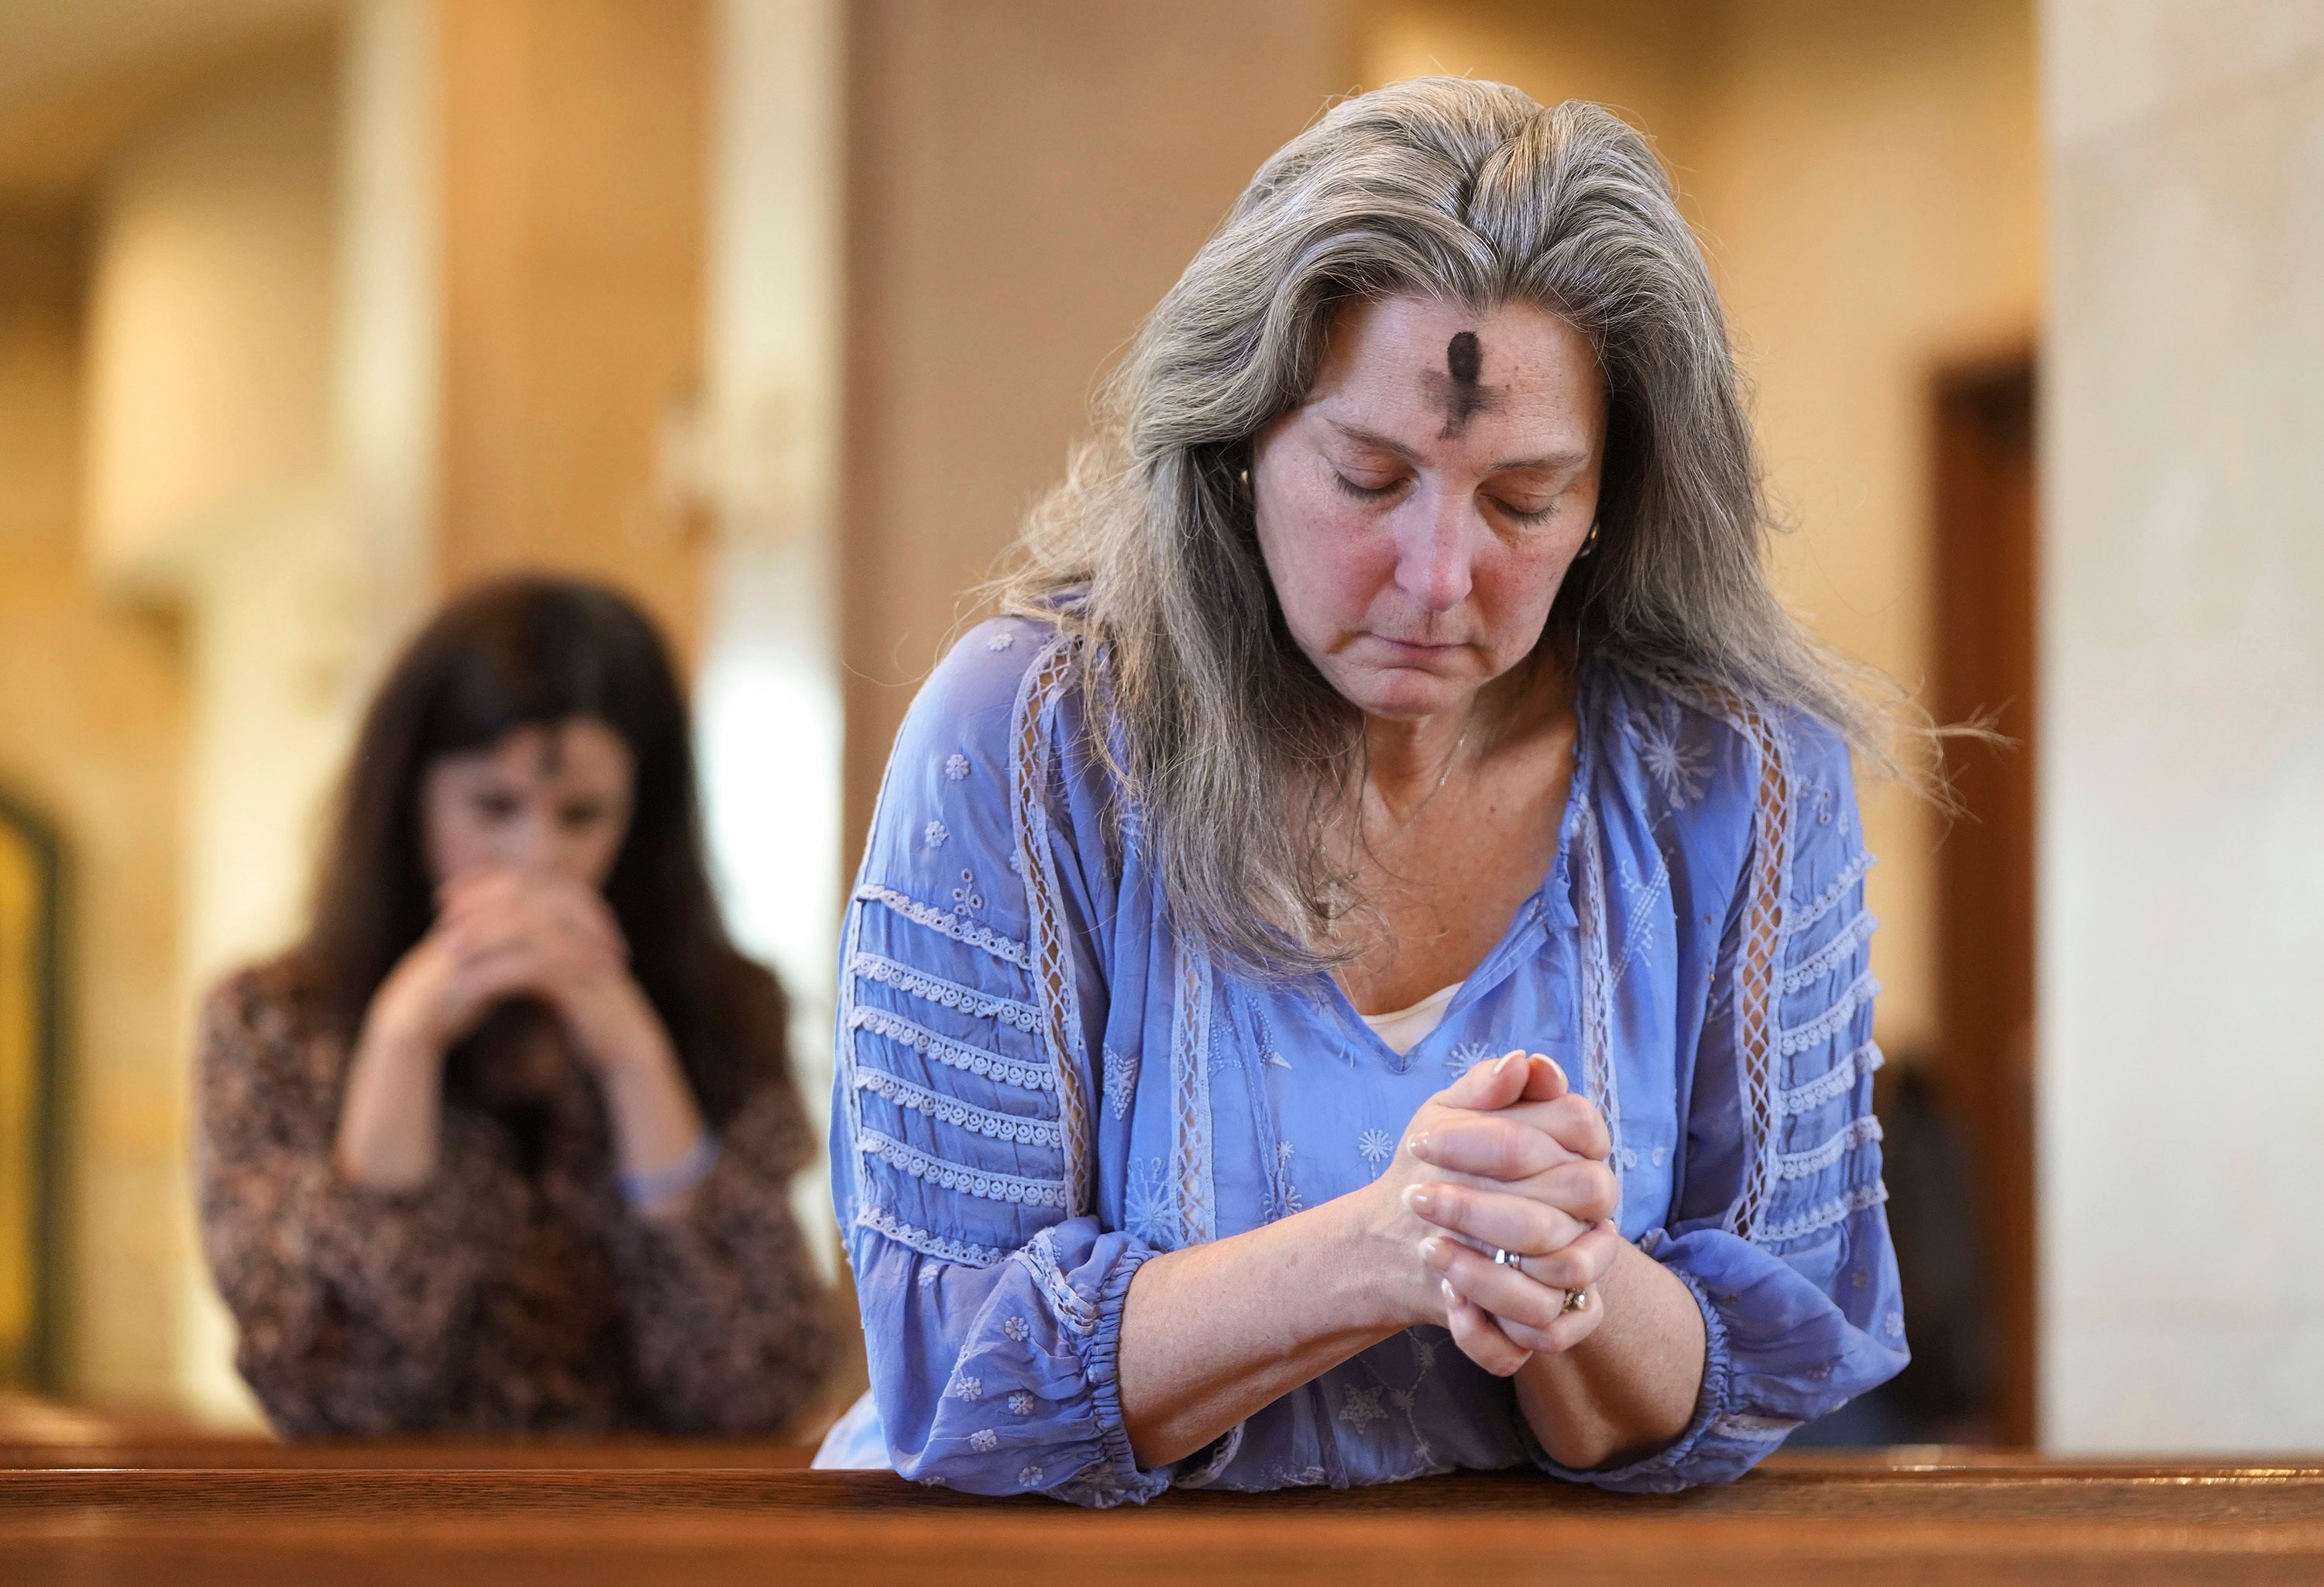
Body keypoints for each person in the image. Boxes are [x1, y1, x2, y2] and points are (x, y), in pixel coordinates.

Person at [816, 78, 1906, 1502]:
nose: (1439, 575)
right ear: (1238, 445)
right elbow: (963, 1374)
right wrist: (1390, 1241)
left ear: (1610, 504)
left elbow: (1753, 1380)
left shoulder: (1738, 777)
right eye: (1368, 475)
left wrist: (1568, 1271)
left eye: (1523, 500)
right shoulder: (1032, 735)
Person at [198, 575, 832, 1437]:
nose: (535, 858)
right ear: (410, 799)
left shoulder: (727, 1012)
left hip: (661, 1553)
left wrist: (636, 1060)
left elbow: (756, 1390)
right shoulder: (276, 1023)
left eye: (582, 815)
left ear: (640, 820)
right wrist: (399, 1045)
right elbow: (330, 1399)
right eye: (491, 807)